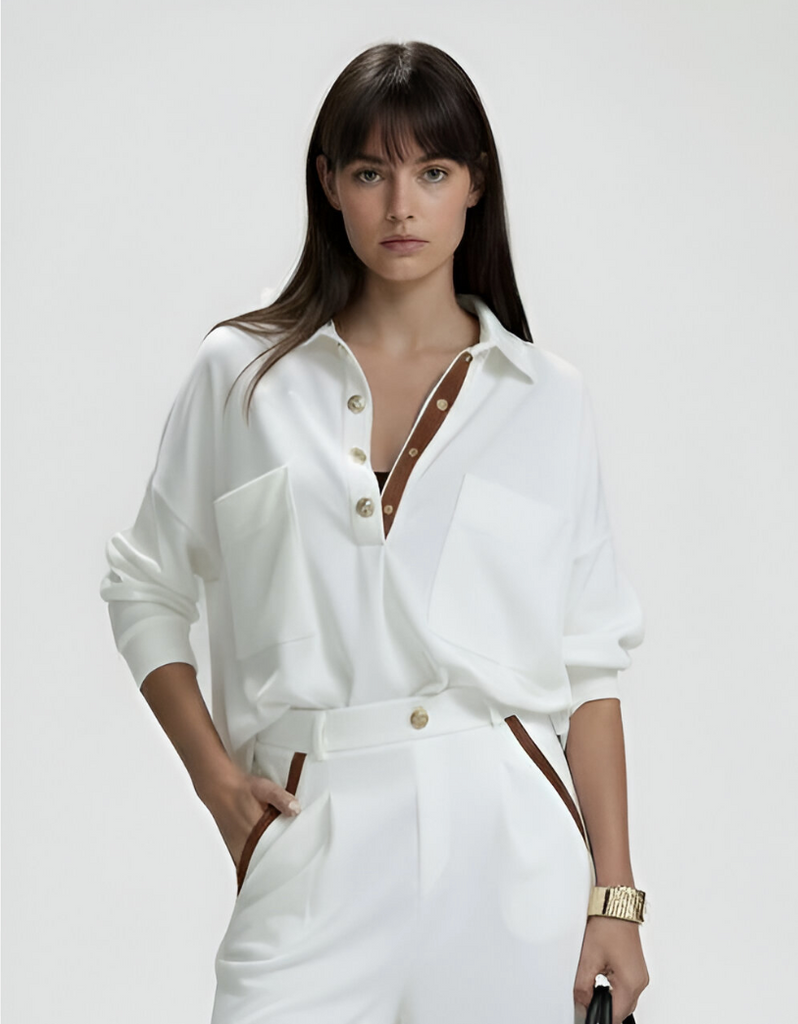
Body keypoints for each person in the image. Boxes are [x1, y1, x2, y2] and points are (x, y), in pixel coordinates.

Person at [99, 40, 650, 1024]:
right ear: (330, 184)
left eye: (431, 172)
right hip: (315, 843)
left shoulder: (547, 397)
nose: (402, 206)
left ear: (475, 183)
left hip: (509, 850)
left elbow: (588, 667)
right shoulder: (242, 376)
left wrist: (615, 897)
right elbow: (145, 587)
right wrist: (218, 784)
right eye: (370, 173)